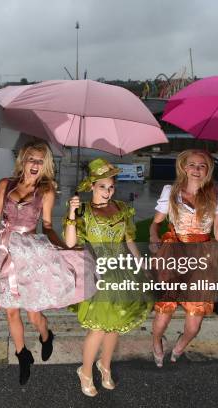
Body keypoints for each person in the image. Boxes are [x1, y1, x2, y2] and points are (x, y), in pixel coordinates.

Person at [0, 141, 95, 385]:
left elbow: (46, 226)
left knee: (34, 314)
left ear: (45, 165)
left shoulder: (45, 191)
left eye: (40, 160)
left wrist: (63, 248)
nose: (35, 164)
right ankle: (22, 355)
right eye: (31, 159)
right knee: (11, 311)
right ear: (23, 160)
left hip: (28, 254)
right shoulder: (6, 183)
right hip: (4, 251)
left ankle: (46, 335)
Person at [65, 158, 153, 397]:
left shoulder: (122, 208)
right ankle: (85, 371)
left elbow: (129, 240)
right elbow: (71, 242)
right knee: (99, 327)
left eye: (111, 186)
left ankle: (105, 365)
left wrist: (141, 265)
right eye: (102, 186)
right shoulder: (82, 210)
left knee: (116, 324)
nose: (107, 191)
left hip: (122, 269)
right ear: (91, 186)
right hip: (98, 272)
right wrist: (72, 213)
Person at [149, 149, 218, 367]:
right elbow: (155, 222)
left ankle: (180, 345)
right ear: (183, 167)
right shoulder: (171, 191)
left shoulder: (217, 195)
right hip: (174, 254)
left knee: (194, 325)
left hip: (202, 258)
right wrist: (154, 237)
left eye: (202, 165)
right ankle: (156, 340)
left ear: (208, 169)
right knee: (163, 315)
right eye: (192, 164)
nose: (196, 169)